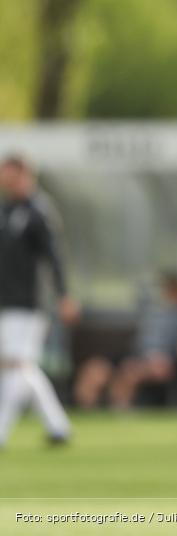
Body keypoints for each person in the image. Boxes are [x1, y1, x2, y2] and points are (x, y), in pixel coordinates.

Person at [0, 155, 79, 449]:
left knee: (14, 365)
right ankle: (58, 426)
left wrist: (64, 295)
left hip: (28, 302)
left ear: (23, 175)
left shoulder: (38, 211)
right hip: (5, 301)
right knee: (24, 368)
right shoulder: (7, 210)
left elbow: (54, 257)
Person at [74, 270, 177, 409]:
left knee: (129, 372)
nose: (169, 291)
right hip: (134, 355)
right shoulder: (152, 311)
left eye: (174, 287)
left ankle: (120, 414)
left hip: (162, 361)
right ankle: (87, 414)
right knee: (94, 370)